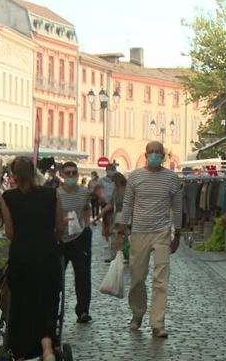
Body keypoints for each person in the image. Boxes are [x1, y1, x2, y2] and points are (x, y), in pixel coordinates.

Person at [0, 156, 64, 361]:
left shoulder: (7, 198)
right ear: (34, 171)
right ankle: (47, 349)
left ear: (14, 176)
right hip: (47, 253)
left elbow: (10, 232)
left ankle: (20, 352)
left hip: (22, 255)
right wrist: (47, 239)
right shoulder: (51, 194)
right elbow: (60, 228)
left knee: (21, 301)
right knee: (47, 299)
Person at [122, 141, 181, 338]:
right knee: (137, 278)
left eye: (159, 152)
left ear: (163, 155)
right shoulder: (135, 177)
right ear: (146, 155)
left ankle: (158, 323)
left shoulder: (172, 178)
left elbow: (178, 207)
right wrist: (122, 230)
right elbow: (128, 204)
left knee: (160, 279)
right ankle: (137, 313)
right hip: (139, 232)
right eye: (152, 152)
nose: (155, 155)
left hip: (162, 232)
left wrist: (178, 233)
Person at [58, 161, 93, 323]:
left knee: (83, 275)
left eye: (74, 173)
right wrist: (61, 221)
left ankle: (83, 310)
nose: (71, 176)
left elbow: (87, 208)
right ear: (62, 175)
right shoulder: (56, 194)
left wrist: (86, 224)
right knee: (57, 276)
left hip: (80, 238)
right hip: (61, 239)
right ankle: (53, 309)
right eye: (68, 173)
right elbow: (52, 216)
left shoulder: (84, 192)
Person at [98, 172, 127, 261]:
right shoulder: (115, 191)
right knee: (113, 236)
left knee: (123, 236)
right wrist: (102, 212)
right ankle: (115, 256)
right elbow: (111, 203)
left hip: (125, 217)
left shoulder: (127, 191)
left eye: (114, 182)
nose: (113, 184)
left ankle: (124, 256)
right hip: (116, 216)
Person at [95, 164, 116, 243]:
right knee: (106, 221)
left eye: (112, 169)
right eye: (108, 169)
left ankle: (112, 235)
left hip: (114, 202)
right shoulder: (102, 180)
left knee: (114, 220)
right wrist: (100, 197)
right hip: (105, 202)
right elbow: (97, 190)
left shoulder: (116, 179)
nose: (110, 171)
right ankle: (107, 238)